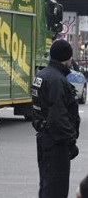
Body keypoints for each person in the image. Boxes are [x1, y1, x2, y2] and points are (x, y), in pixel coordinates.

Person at [31, 38, 81, 198]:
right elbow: (58, 116)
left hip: (44, 137)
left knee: (46, 185)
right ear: (68, 58)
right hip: (56, 143)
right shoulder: (57, 81)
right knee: (56, 189)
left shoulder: (42, 75)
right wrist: (70, 142)